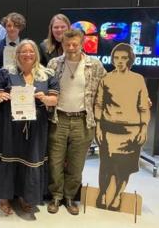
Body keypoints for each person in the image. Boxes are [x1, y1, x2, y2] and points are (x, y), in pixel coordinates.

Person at [0, 40, 59, 217]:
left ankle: (25, 196)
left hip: (36, 126)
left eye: (31, 52)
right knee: (9, 158)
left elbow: (55, 100)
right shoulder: (6, 72)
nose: (27, 55)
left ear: (36, 53)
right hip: (10, 125)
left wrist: (44, 98)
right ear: (17, 55)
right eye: (23, 52)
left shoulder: (47, 74)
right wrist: (1, 95)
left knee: (30, 159)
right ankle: (5, 198)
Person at [46, 29, 106, 215]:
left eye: (75, 44)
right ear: (62, 44)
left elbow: (110, 89)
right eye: (67, 44)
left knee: (76, 163)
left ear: (82, 43)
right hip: (59, 119)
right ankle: (56, 196)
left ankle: (70, 197)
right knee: (55, 162)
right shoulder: (54, 64)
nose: (71, 48)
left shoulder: (94, 65)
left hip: (83, 120)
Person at [94, 43, 150, 211]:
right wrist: (98, 126)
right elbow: (98, 104)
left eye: (123, 58)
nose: (119, 61)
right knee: (107, 166)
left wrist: (144, 128)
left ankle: (117, 197)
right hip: (109, 129)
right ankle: (103, 194)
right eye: (116, 58)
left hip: (132, 131)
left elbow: (143, 107)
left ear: (129, 59)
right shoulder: (106, 79)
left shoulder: (138, 79)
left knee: (124, 168)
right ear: (112, 59)